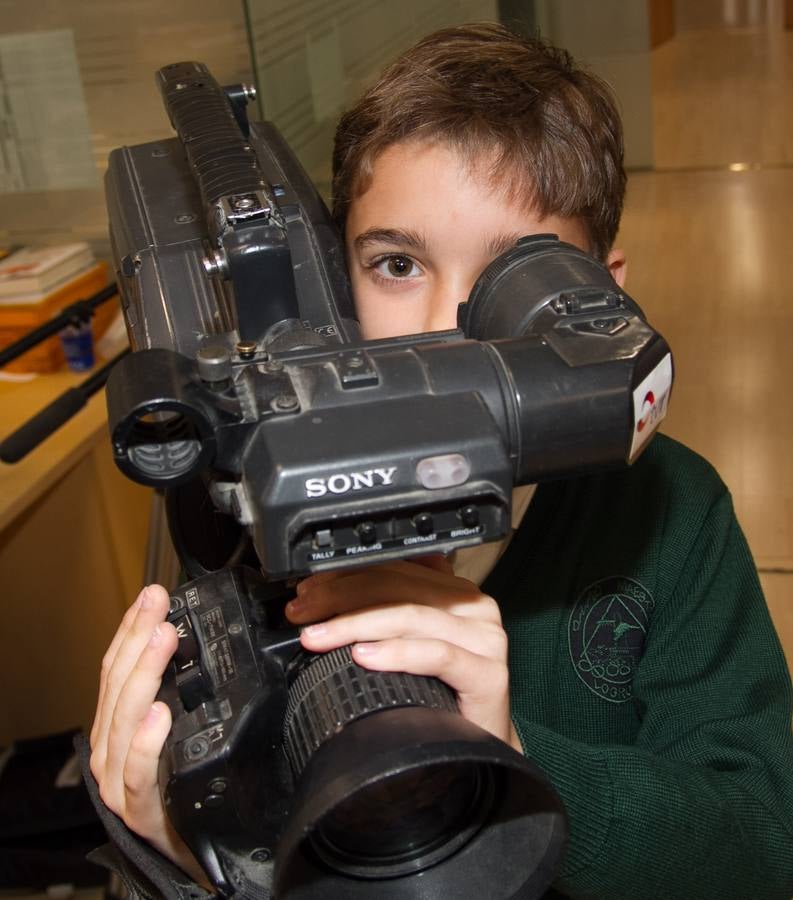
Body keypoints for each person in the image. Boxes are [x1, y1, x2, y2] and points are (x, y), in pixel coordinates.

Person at [87, 23, 793, 899]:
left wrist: (519, 763)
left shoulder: (669, 513)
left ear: (600, 304)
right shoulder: (241, 512)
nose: (440, 330)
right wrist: (183, 861)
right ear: (331, 284)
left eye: (511, 282)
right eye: (395, 263)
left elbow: (762, 843)